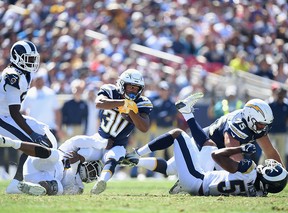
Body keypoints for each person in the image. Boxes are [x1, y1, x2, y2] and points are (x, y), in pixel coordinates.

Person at [122, 94, 288, 196]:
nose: (263, 128)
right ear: (251, 119)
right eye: (260, 124)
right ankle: (187, 114)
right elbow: (230, 156)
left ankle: (136, 159)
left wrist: (282, 174)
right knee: (208, 150)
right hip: (204, 145)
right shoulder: (237, 125)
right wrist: (244, 171)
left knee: (169, 169)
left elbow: (270, 151)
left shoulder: (254, 123)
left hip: (211, 150)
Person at [68, 69, 152, 195]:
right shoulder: (110, 91)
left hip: (119, 143)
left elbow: (144, 127)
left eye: (136, 88)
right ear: (122, 85)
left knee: (114, 156)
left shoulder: (141, 103)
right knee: (80, 154)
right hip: (100, 139)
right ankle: (71, 181)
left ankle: (102, 181)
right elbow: (99, 103)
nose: (133, 90)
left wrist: (131, 111)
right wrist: (123, 103)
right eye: (130, 87)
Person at [0, 40, 57, 194]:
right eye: (29, 58)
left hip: (9, 116)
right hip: (3, 117)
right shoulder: (13, 75)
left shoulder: (25, 73)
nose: (33, 62)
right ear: (17, 58)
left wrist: (35, 132)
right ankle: (17, 183)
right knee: (32, 141)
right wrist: (32, 134)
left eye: (33, 58)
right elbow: (14, 111)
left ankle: (31, 177)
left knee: (46, 135)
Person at [0, 135, 103, 196]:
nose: (90, 172)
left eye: (93, 174)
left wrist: (74, 165)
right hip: (38, 163)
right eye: (91, 169)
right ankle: (12, 143)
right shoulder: (70, 150)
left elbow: (70, 191)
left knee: (58, 189)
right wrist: (101, 143)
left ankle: (28, 188)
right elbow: (77, 140)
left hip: (38, 179)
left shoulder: (79, 185)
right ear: (88, 162)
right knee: (55, 155)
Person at [21, 68, 63, 143]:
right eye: (37, 79)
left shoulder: (50, 93)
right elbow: (24, 112)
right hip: (34, 129)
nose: (39, 81)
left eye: (41, 79)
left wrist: (58, 128)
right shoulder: (29, 93)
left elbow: (57, 111)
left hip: (49, 128)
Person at [268, 87, 288, 168]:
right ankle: (261, 168)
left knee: (282, 153)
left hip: (282, 132)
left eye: (282, 93)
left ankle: (282, 170)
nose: (280, 95)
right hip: (271, 132)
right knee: (267, 152)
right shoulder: (271, 105)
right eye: (279, 93)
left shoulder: (286, 106)